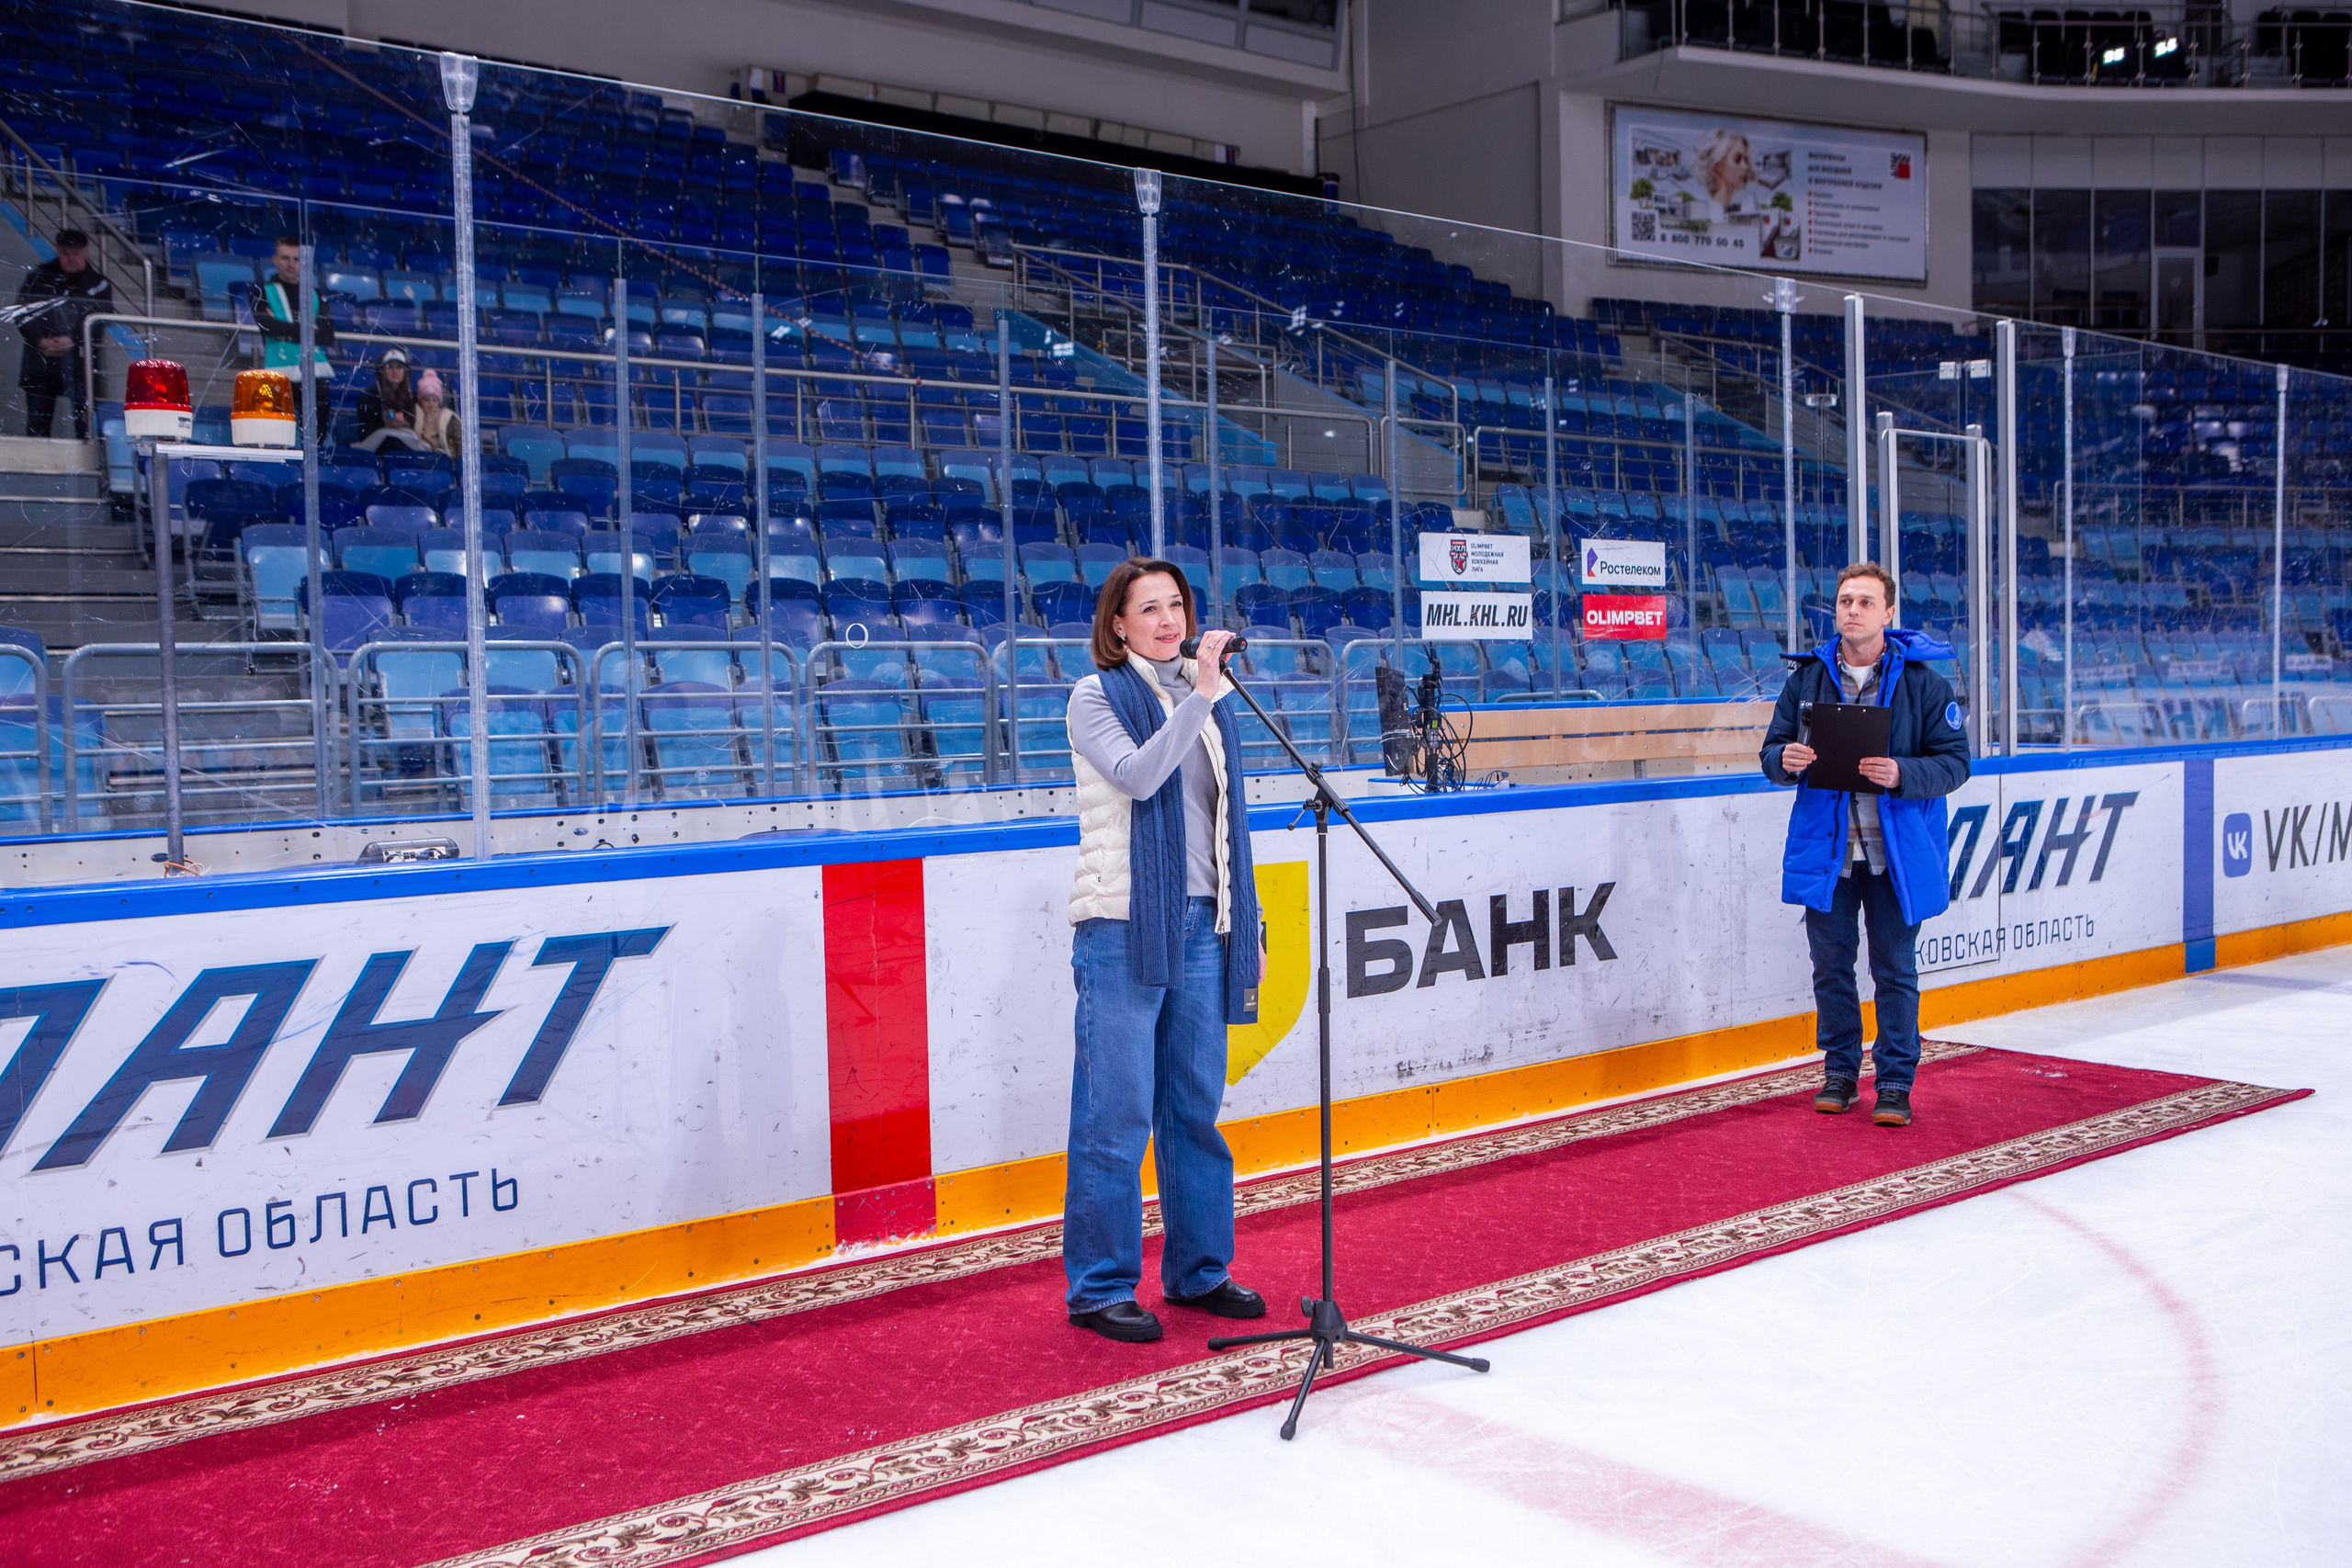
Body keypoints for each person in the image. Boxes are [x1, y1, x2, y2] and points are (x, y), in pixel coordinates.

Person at [1062, 559, 1265, 1343]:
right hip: (1119, 926)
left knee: (1193, 1107)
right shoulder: (1094, 696)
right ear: (1118, 623)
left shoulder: (1204, 698)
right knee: (1114, 1115)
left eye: (1175, 604)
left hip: (1204, 923)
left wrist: (1244, 918)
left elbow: (1225, 823)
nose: (1167, 619)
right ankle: (1101, 1286)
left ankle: (1199, 1270)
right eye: (1148, 608)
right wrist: (1203, 697)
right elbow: (1142, 778)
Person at [1759, 562, 1970, 1128]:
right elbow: (1771, 752)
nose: (1852, 609)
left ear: (1889, 613)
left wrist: (1901, 773)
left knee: (1894, 968)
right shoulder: (1807, 679)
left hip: (1894, 857)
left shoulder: (1926, 684)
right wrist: (1784, 760)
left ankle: (1896, 1082)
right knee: (1831, 966)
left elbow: (1955, 764)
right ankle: (1840, 1072)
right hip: (1828, 852)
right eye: (1845, 600)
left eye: (1865, 602)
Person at [14, 228, 111, 440]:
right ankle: (37, 466)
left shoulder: (98, 284)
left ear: (85, 253)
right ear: (58, 251)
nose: (70, 258)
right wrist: (40, 340)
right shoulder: (39, 276)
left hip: (79, 363)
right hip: (42, 361)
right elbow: (22, 312)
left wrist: (72, 340)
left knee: (84, 424)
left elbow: (100, 320)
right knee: (38, 422)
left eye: (75, 253)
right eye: (66, 253)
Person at [245, 235, 335, 438]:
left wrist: (286, 328)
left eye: (296, 259)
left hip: (314, 373)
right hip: (278, 370)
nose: (291, 264)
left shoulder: (316, 294)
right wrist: (309, 330)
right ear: (275, 259)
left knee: (316, 434)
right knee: (276, 433)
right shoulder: (260, 291)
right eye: (285, 258)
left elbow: (328, 335)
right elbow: (268, 327)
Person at [352, 346, 425, 452]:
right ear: (382, 371)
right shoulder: (369, 397)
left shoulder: (413, 398)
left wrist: (404, 424)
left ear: (405, 371)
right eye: (389, 367)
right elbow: (364, 432)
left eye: (399, 367)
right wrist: (384, 423)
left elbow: (418, 427)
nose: (394, 372)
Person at [409, 371, 461, 457]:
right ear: (420, 400)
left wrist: (459, 464)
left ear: (439, 402)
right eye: (426, 400)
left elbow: (460, 443)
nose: (431, 404)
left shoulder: (448, 418)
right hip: (419, 458)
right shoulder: (413, 415)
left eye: (434, 400)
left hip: (443, 460)